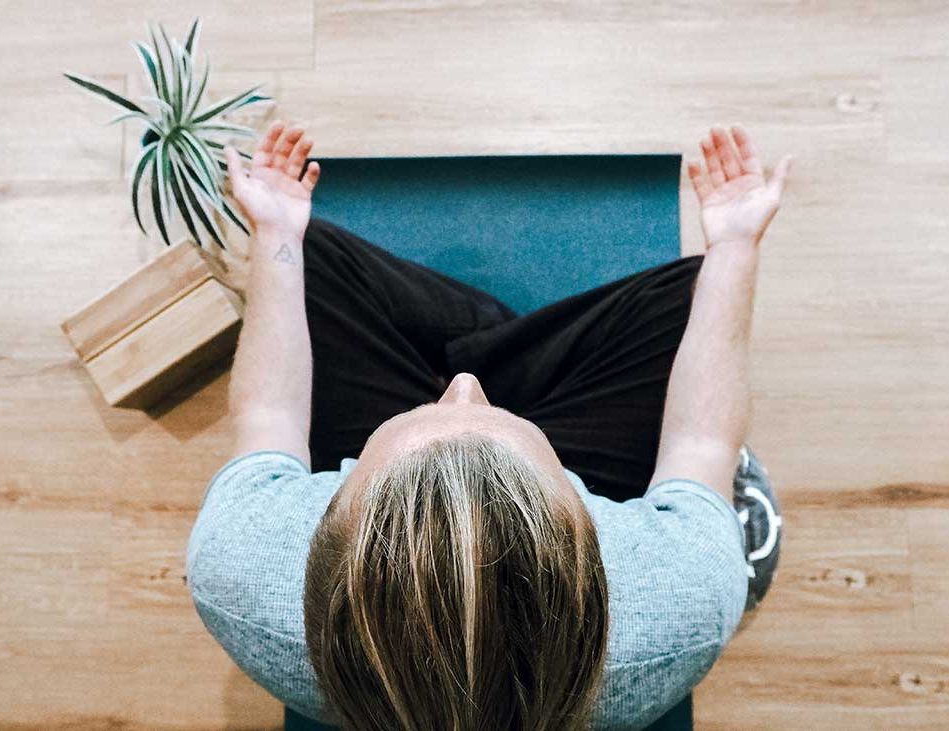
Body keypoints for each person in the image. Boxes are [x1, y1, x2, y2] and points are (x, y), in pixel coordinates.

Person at [185, 120, 791, 730]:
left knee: (310, 255)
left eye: (438, 410)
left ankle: (486, 334)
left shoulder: (242, 569)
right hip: (606, 468)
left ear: (328, 518)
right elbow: (702, 442)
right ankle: (506, 342)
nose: (464, 390)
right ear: (587, 523)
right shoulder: (675, 605)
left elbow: (270, 415)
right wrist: (736, 244)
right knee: (690, 297)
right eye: (497, 419)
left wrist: (275, 231)